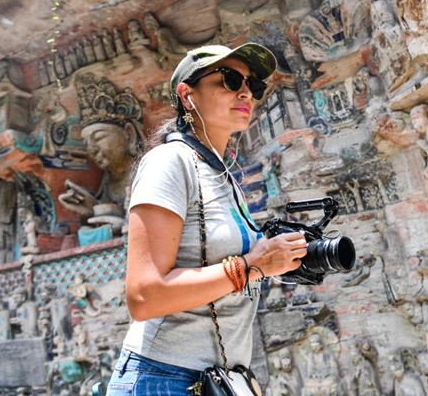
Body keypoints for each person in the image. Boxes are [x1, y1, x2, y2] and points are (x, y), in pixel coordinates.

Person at [106, 44, 308, 394]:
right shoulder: (170, 162)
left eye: (254, 87)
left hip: (220, 379)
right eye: (230, 80)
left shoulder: (223, 172)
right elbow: (144, 297)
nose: (246, 92)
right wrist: (252, 265)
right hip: (163, 378)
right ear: (187, 95)